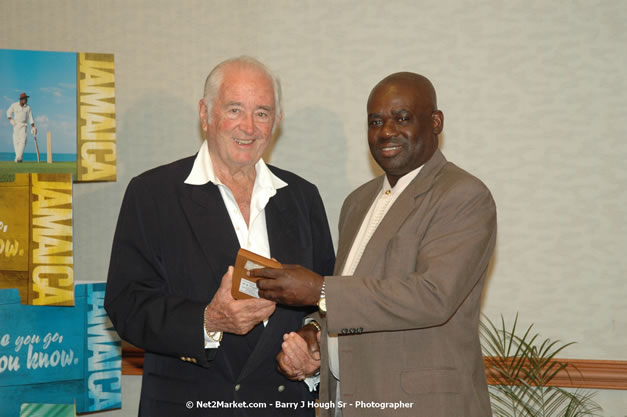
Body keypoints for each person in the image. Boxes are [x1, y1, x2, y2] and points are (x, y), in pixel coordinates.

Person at [250, 72, 497, 417]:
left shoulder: (461, 194)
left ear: (436, 122)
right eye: (376, 121)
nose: (386, 131)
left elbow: (433, 296)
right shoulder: (358, 202)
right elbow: (360, 299)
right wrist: (315, 333)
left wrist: (321, 290)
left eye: (402, 118)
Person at [105, 56, 335, 417]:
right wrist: (208, 321)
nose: (248, 127)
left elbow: (325, 298)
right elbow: (127, 307)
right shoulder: (153, 193)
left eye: (262, 113)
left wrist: (313, 347)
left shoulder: (303, 197)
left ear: (276, 121)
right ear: (205, 113)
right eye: (234, 110)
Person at [6, 92, 36, 162]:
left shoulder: (28, 107)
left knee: (23, 140)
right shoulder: (14, 105)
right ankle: (19, 158)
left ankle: (18, 157)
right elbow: (8, 112)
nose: (26, 100)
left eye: (26, 99)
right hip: (16, 125)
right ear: (21, 99)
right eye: (25, 99)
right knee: (16, 141)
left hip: (23, 125)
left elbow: (31, 118)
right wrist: (11, 120)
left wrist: (33, 127)